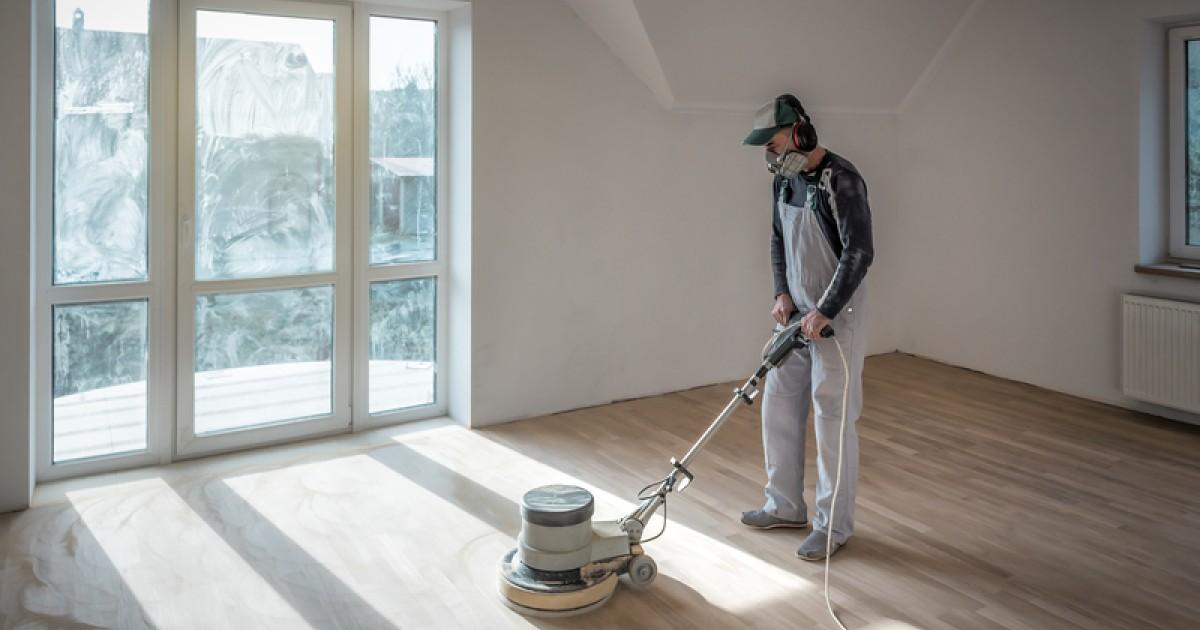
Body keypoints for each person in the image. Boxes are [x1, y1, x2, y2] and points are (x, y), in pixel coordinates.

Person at [740, 94, 873, 560]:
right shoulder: (784, 184)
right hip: (796, 314)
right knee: (777, 401)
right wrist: (782, 293)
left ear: (799, 133)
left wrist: (826, 311)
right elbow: (778, 239)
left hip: (837, 319)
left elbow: (859, 252)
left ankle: (832, 526)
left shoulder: (843, 180)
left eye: (773, 144)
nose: (769, 155)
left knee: (833, 416)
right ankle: (784, 505)